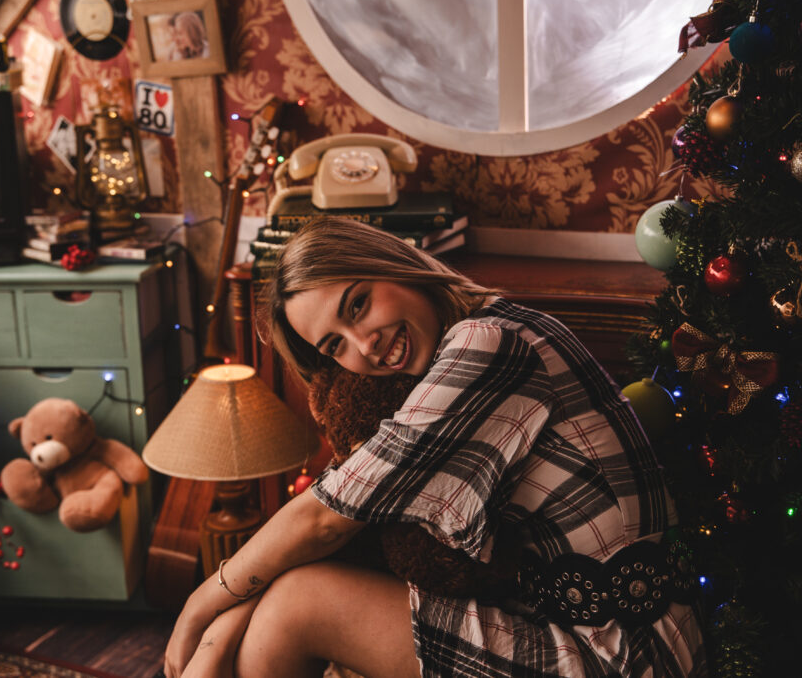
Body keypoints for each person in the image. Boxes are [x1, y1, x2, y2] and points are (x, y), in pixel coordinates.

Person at [163, 217, 707, 678]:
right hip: (566, 620)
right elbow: (345, 518)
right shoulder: (458, 352)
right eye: (335, 346)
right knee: (291, 593)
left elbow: (324, 521)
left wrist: (198, 607)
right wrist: (225, 626)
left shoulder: (490, 343)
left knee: (298, 606)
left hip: (624, 653)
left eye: (357, 306)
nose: (364, 346)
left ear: (396, 263)